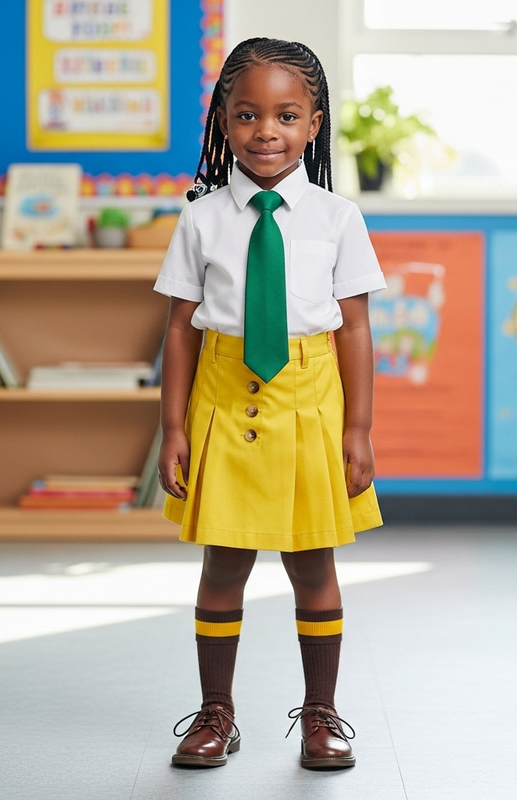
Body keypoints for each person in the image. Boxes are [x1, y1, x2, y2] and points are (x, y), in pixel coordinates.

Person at [154, 37, 386, 771]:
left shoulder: (337, 217)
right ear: (224, 120)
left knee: (312, 564)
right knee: (224, 563)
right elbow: (179, 332)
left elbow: (353, 326)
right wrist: (171, 431)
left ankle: (322, 715)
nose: (266, 131)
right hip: (223, 401)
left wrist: (358, 428)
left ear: (314, 124)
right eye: (248, 114)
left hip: (308, 404)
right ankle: (215, 715)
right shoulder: (199, 219)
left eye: (287, 115)